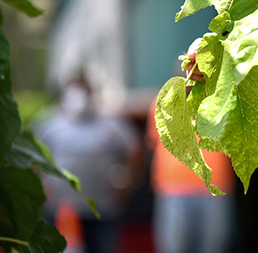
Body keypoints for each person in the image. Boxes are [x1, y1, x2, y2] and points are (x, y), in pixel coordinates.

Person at [36, 74, 142, 253]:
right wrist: (42, 185)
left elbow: (135, 149)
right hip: (61, 210)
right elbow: (30, 152)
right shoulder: (50, 122)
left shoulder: (109, 122)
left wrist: (126, 182)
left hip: (101, 209)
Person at [147, 93, 235, 253]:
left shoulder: (224, 99)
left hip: (215, 188)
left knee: (214, 246)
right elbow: (153, 140)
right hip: (172, 189)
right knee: (172, 247)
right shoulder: (162, 101)